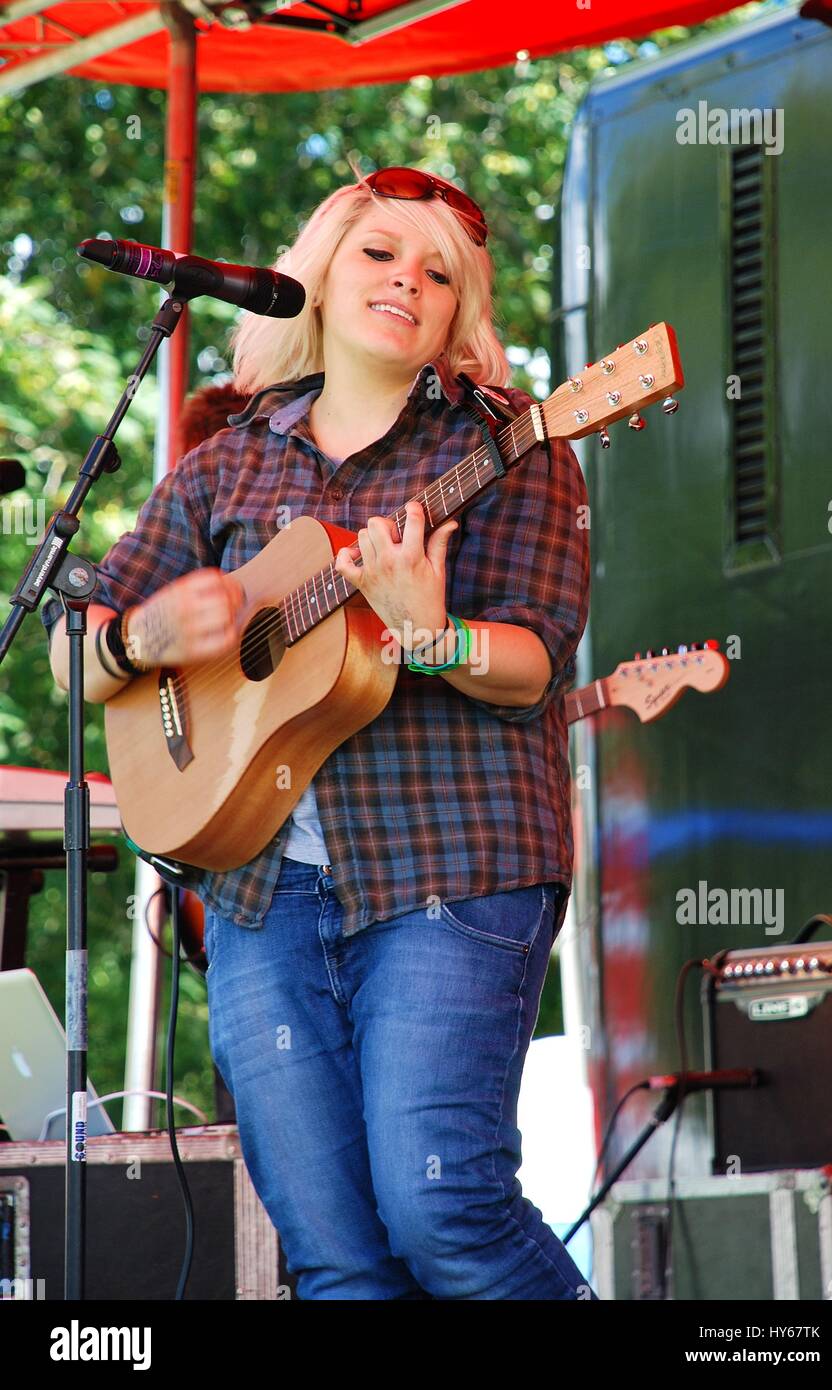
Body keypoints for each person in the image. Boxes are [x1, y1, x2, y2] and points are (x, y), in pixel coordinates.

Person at [43, 161, 595, 1300]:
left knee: (445, 1212)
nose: (407, 280)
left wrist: (431, 635)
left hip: (454, 868)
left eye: (438, 273)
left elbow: (536, 663)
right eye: (379, 254)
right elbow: (74, 645)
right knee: (335, 1259)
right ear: (323, 274)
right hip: (260, 893)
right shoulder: (227, 461)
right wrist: (142, 638)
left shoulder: (517, 448)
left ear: (458, 316)